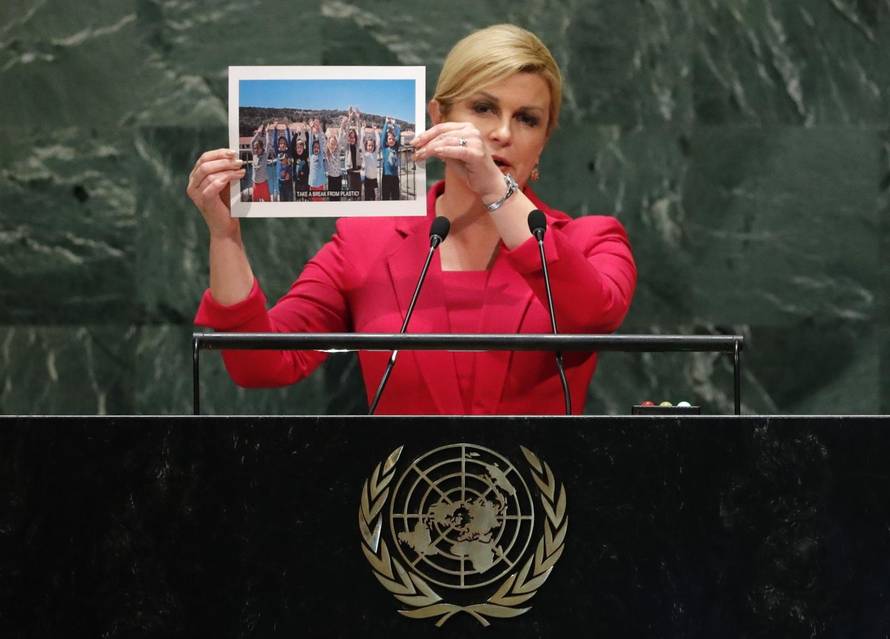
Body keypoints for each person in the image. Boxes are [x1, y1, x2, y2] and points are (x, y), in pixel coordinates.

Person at [187, 24, 636, 415]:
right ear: (438, 117)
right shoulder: (365, 241)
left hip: (537, 504)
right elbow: (261, 365)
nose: (501, 132)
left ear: (543, 141)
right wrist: (225, 235)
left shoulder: (592, 240)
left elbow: (591, 319)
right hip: (402, 503)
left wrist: (496, 189)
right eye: (483, 109)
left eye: (527, 119)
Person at [380, 116, 401, 200]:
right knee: (385, 197)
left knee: (396, 197)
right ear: (387, 141)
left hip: (395, 177)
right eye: (389, 139)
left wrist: (394, 124)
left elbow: (398, 134)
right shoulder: (385, 148)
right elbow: (383, 137)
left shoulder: (396, 148)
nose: (391, 140)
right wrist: (386, 123)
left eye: (393, 139)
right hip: (386, 177)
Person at [361, 121, 380, 201]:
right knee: (367, 198)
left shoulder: (375, 153)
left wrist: (375, 130)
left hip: (374, 179)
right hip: (367, 179)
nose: (370, 147)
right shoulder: (365, 154)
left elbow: (378, 142)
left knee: (374, 197)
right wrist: (363, 129)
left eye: (372, 145)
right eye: (369, 145)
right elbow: (361, 142)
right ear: (366, 146)